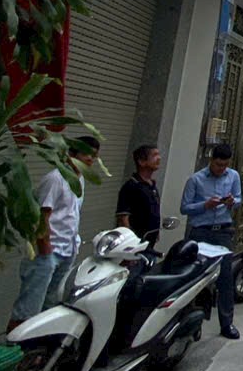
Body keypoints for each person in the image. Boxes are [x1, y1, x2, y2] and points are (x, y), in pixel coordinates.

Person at [8, 138, 100, 330]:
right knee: (28, 308)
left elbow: (71, 213)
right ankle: (14, 343)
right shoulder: (55, 179)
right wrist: (45, 247)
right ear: (71, 154)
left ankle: (38, 345)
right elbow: (42, 214)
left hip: (67, 250)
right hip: (47, 252)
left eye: (94, 155)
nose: (90, 159)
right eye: (86, 154)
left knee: (50, 306)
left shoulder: (80, 179)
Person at [180, 142, 242, 339]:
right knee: (197, 278)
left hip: (223, 232)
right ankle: (194, 323)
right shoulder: (196, 180)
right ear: (211, 160)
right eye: (218, 165)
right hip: (201, 232)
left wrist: (232, 202)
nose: (221, 169)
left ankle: (227, 323)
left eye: (224, 165)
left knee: (225, 278)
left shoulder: (233, 176)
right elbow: (185, 208)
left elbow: (239, 199)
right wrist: (205, 205)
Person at [115, 144, 162, 251]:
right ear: (141, 161)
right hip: (135, 245)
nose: (159, 158)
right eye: (154, 155)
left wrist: (156, 231)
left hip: (150, 244)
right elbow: (123, 218)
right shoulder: (131, 186)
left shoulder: (151, 185)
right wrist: (130, 243)